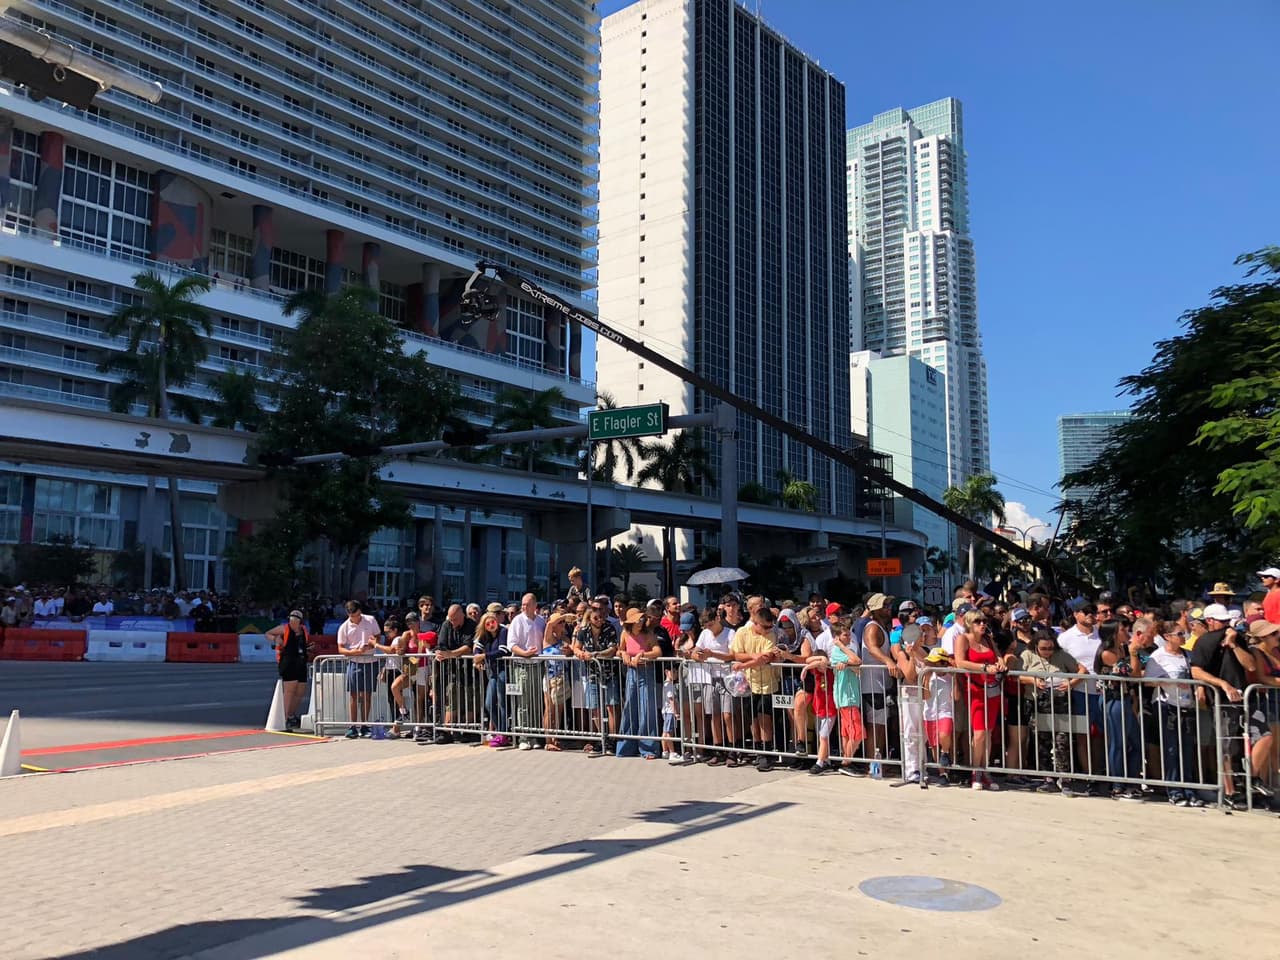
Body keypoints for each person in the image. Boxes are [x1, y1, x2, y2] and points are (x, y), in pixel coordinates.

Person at [1189, 603, 1255, 808]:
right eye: (1222, 621)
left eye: (1228, 620)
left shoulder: (1238, 639)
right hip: (1222, 701)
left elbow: (1251, 665)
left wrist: (1234, 644)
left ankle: (1250, 783)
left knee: (1249, 743)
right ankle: (1230, 791)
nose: (1227, 625)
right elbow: (1196, 671)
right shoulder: (1204, 641)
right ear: (1209, 621)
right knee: (1225, 745)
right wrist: (1223, 684)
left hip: (1244, 698)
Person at [1143, 620, 1203, 806]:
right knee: (1171, 749)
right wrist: (1172, 682)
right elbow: (1148, 681)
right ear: (1167, 637)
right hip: (1166, 706)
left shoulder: (1187, 655)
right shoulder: (1158, 656)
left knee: (1186, 749)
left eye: (1183, 633)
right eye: (1179, 634)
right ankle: (1175, 790)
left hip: (1186, 706)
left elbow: (1196, 676)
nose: (1182, 637)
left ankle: (1189, 789)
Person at [1095, 620, 1147, 801]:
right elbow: (1132, 674)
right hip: (1112, 701)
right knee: (1118, 742)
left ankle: (1132, 781)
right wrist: (1133, 653)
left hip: (1125, 698)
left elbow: (1141, 668)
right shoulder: (1107, 653)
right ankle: (1117, 785)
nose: (1127, 632)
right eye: (1123, 630)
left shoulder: (1123, 649)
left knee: (1136, 742)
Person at [954, 608, 1005, 790]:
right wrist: (983, 667)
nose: (982, 624)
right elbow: (960, 662)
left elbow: (998, 656)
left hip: (992, 689)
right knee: (979, 733)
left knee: (989, 732)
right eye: (978, 621)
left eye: (983, 621)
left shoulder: (988, 639)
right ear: (969, 623)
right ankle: (976, 770)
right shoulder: (963, 639)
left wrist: (1001, 662)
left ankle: (986, 770)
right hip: (975, 689)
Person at [1057, 603, 1103, 789]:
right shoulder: (1065, 638)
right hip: (1079, 691)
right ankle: (1088, 774)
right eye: (1087, 612)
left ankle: (1100, 771)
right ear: (1076, 614)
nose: (1091, 615)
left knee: (1101, 734)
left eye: (1094, 612)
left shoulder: (1102, 634)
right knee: (1083, 734)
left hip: (1102, 691)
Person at [730, 604, 780, 772]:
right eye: (765, 626)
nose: (768, 629)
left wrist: (744, 664)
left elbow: (765, 658)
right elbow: (737, 654)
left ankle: (767, 750)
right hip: (747, 683)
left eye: (770, 626)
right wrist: (751, 656)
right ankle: (757, 749)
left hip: (766, 682)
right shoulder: (742, 632)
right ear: (756, 623)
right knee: (752, 717)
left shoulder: (771, 635)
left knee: (764, 716)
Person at [688, 605, 736, 765]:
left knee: (727, 715)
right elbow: (696, 651)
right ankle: (718, 749)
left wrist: (712, 654)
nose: (709, 628)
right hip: (710, 677)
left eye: (710, 625)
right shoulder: (705, 634)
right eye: (706, 626)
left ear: (717, 619)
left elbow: (731, 655)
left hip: (727, 677)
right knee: (713, 714)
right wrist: (697, 656)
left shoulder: (730, 633)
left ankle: (732, 750)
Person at [573, 601, 621, 755]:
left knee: (611, 706)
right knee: (594, 708)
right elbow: (576, 647)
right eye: (596, 618)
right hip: (592, 674)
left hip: (609, 672)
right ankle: (602, 739)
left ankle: (612, 740)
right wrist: (579, 653)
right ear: (590, 617)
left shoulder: (609, 628)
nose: (599, 620)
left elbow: (613, 649)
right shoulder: (583, 631)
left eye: (601, 617)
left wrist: (594, 655)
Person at [616, 607, 662, 759]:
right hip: (631, 673)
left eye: (642, 619)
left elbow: (657, 652)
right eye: (637, 620)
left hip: (646, 672)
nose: (640, 622)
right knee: (630, 707)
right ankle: (626, 747)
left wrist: (642, 655)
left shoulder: (648, 634)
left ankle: (648, 748)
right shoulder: (625, 634)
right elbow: (619, 650)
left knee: (647, 709)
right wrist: (623, 653)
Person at [1245, 619, 1280, 805]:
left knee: (1277, 750)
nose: (1277, 636)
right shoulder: (1257, 652)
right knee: (1271, 749)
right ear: (1263, 637)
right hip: (1269, 702)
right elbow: (1260, 677)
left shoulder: (1276, 651)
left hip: (1276, 698)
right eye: (1274, 634)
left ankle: (1274, 788)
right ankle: (1268, 791)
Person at [433, 604, 479, 744]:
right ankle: (447, 731)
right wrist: (442, 653)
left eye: (455, 619)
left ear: (462, 616)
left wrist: (451, 654)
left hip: (470, 672)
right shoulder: (446, 625)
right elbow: (441, 644)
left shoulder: (471, 625)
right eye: (450, 619)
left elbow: (468, 646)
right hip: (451, 671)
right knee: (451, 700)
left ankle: (468, 731)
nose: (452, 622)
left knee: (470, 701)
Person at [507, 593, 546, 750]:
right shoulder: (517, 620)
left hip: (538, 665)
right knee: (523, 702)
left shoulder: (541, 621)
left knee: (536, 702)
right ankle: (524, 736)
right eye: (522, 604)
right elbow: (512, 644)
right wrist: (525, 653)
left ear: (534, 605)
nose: (523, 607)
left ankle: (535, 735)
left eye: (527, 604)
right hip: (522, 665)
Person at [337, 600, 380, 738]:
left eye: (356, 615)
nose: (354, 618)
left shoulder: (370, 620)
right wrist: (354, 652)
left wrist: (370, 644)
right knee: (354, 695)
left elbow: (378, 636)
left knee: (367, 695)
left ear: (360, 611)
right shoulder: (344, 626)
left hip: (370, 660)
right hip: (354, 661)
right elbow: (341, 648)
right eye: (351, 616)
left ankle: (364, 724)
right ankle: (352, 726)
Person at [829, 619, 866, 777]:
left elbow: (857, 668)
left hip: (849, 696)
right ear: (837, 637)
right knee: (858, 733)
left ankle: (848, 761)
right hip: (846, 697)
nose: (849, 636)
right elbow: (857, 661)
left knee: (847, 732)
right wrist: (842, 646)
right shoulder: (838, 651)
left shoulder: (845, 651)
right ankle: (846, 761)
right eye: (845, 634)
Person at [266, 610, 312, 730]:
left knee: (301, 690)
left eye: (296, 620)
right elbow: (268, 634)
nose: (293, 622)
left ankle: (291, 714)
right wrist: (276, 640)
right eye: (292, 619)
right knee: (290, 690)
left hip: (301, 661)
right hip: (288, 662)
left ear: (300, 621)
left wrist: (309, 648)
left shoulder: (303, 630)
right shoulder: (284, 628)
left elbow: (303, 644)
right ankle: (285, 717)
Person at [541, 613, 572, 751]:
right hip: (550, 677)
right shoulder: (548, 638)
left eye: (564, 622)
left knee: (559, 710)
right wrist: (563, 615)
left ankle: (555, 737)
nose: (562, 624)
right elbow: (549, 624)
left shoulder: (565, 638)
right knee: (549, 709)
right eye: (560, 622)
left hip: (562, 677)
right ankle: (548, 739)